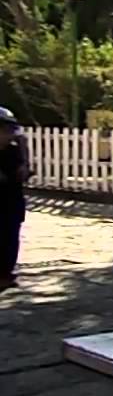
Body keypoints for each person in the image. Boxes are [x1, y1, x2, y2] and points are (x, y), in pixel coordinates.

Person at [0, 107, 27, 291]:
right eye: (5, 130)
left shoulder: (13, 151)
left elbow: (20, 174)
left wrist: (25, 159)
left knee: (10, 238)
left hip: (11, 202)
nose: (10, 135)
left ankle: (5, 274)